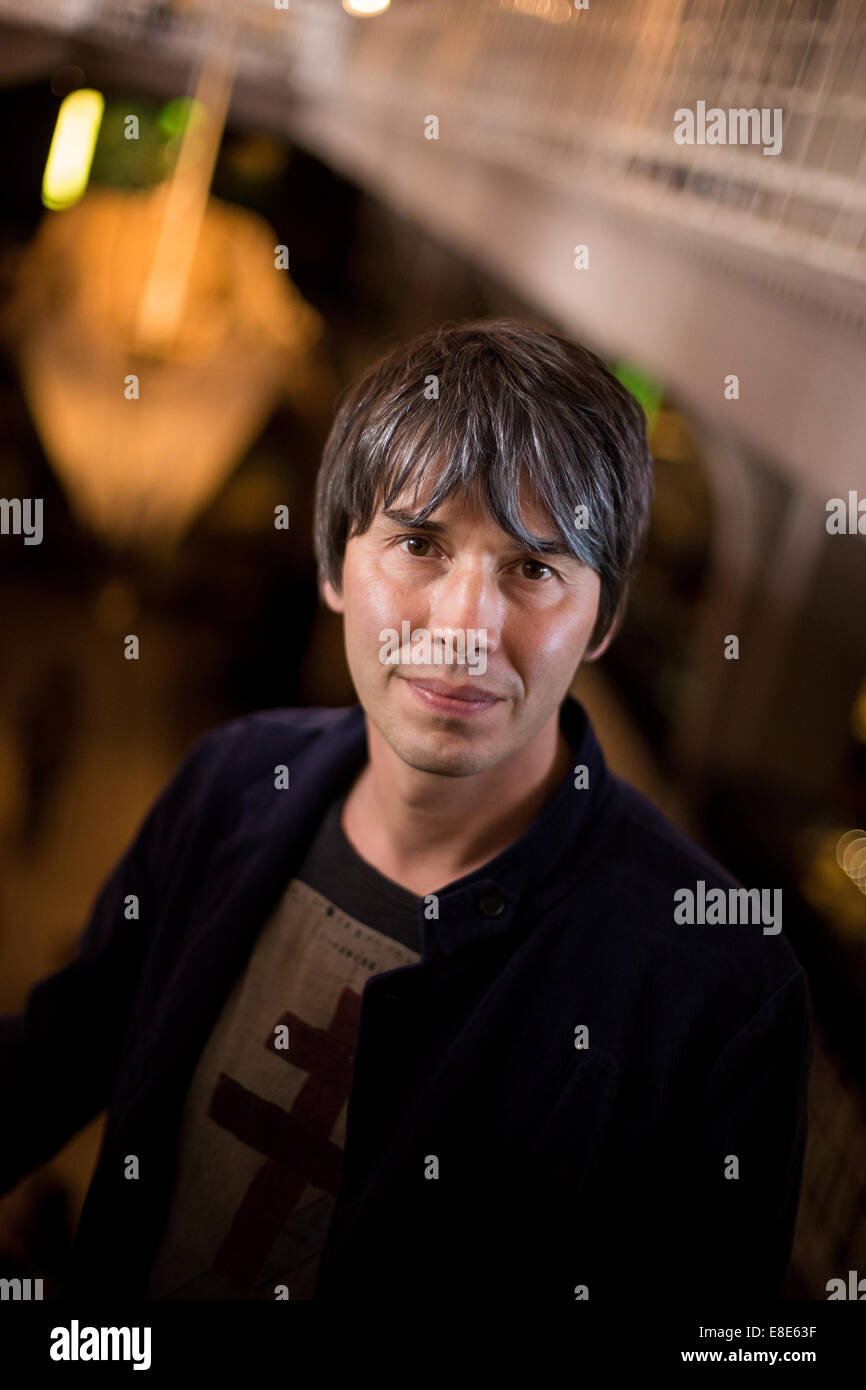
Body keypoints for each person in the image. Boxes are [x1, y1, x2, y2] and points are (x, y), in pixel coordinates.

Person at [0, 319, 811, 1304]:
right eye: (419, 543)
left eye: (534, 567)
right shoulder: (233, 782)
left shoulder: (714, 983)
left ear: (600, 620)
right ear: (336, 568)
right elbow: (54, 1056)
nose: (465, 628)